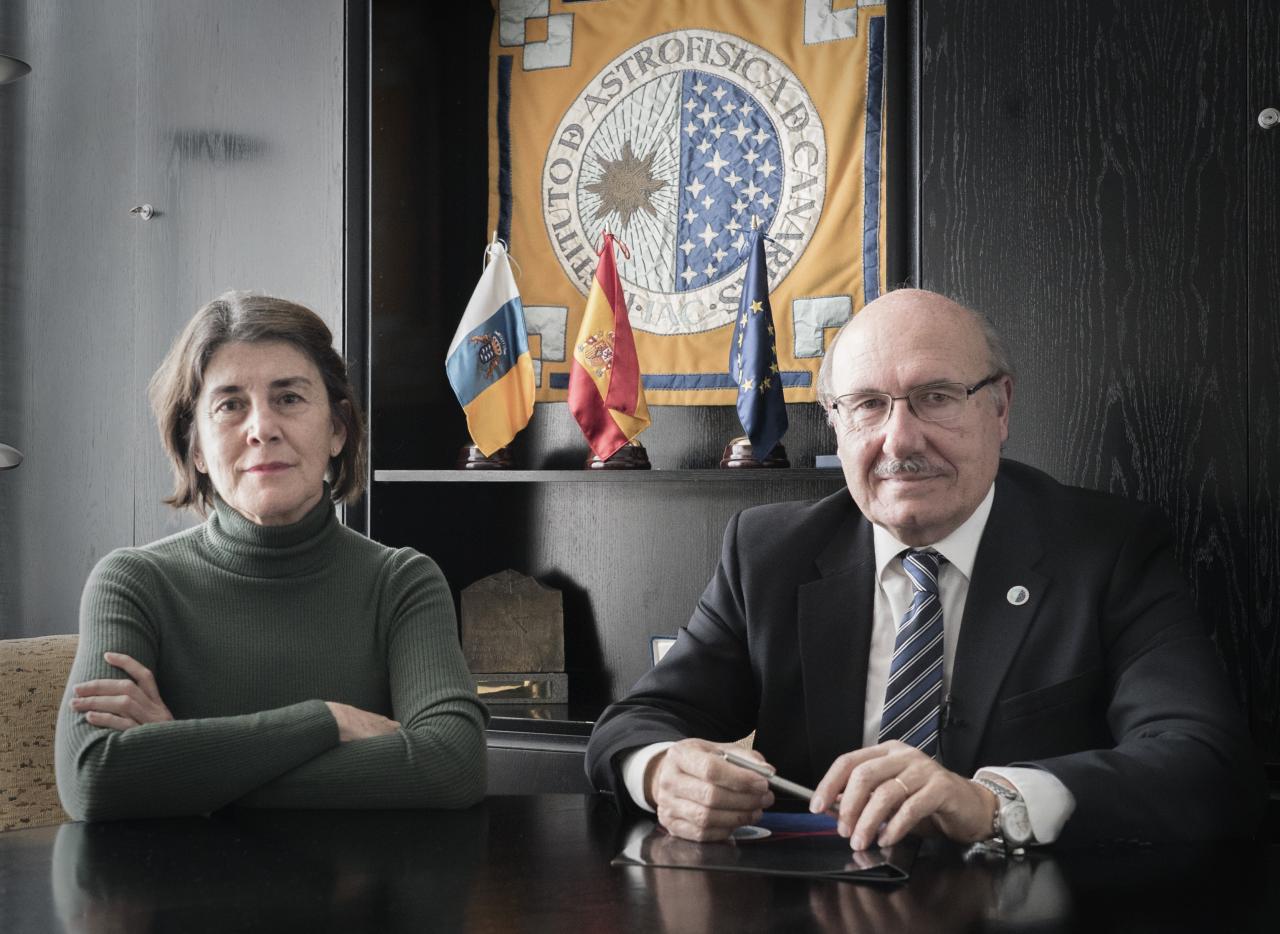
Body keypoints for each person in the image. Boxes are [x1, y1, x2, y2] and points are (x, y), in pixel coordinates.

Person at [586, 288, 1262, 850]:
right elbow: (638, 721)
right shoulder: (769, 551)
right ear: (836, 422)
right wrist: (662, 771)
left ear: (1000, 408)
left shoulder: (1106, 549)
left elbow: (1202, 760)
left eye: (937, 397)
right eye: (869, 404)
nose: (900, 440)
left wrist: (993, 803)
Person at [56, 292, 487, 821]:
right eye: (230, 405)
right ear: (196, 450)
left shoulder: (401, 582)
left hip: (360, 902)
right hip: (179, 902)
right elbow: (94, 781)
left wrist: (183, 765)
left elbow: (452, 766)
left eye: (288, 398)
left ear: (337, 429)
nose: (262, 428)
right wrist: (324, 722)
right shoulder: (133, 583)